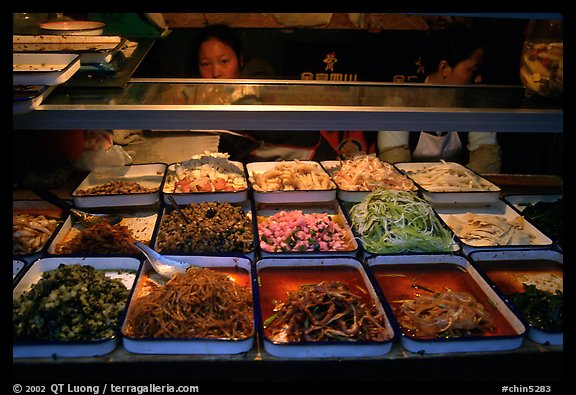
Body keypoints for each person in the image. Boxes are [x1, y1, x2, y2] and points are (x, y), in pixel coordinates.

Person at [192, 24, 375, 162]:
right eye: (206, 64)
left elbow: (250, 117)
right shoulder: (203, 95)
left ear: (240, 59)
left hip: (314, 158)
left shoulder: (258, 85)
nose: (216, 72)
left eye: (224, 61)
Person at [378, 25, 502, 174]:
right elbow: (394, 165)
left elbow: (486, 158)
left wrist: (462, 187)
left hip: (459, 190)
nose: (478, 79)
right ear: (444, 68)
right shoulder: (401, 102)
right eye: (473, 71)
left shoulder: (475, 105)